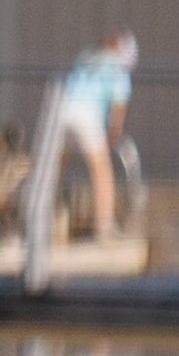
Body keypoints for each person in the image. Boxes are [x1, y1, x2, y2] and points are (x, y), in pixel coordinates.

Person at [57, 31, 137, 240]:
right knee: (101, 171)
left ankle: (48, 219)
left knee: (55, 169)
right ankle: (104, 226)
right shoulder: (117, 68)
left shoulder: (86, 56)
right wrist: (112, 135)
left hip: (61, 110)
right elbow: (118, 108)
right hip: (86, 114)